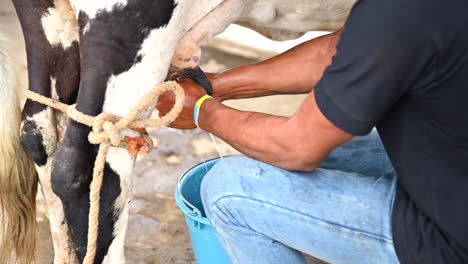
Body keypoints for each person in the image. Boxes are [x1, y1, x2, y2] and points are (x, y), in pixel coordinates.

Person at [157, 0, 468, 262]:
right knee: (340, 143)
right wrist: (216, 88)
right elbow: (333, 51)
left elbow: (298, 148)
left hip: (450, 235)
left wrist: (201, 111)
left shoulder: (394, 15)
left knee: (227, 191)